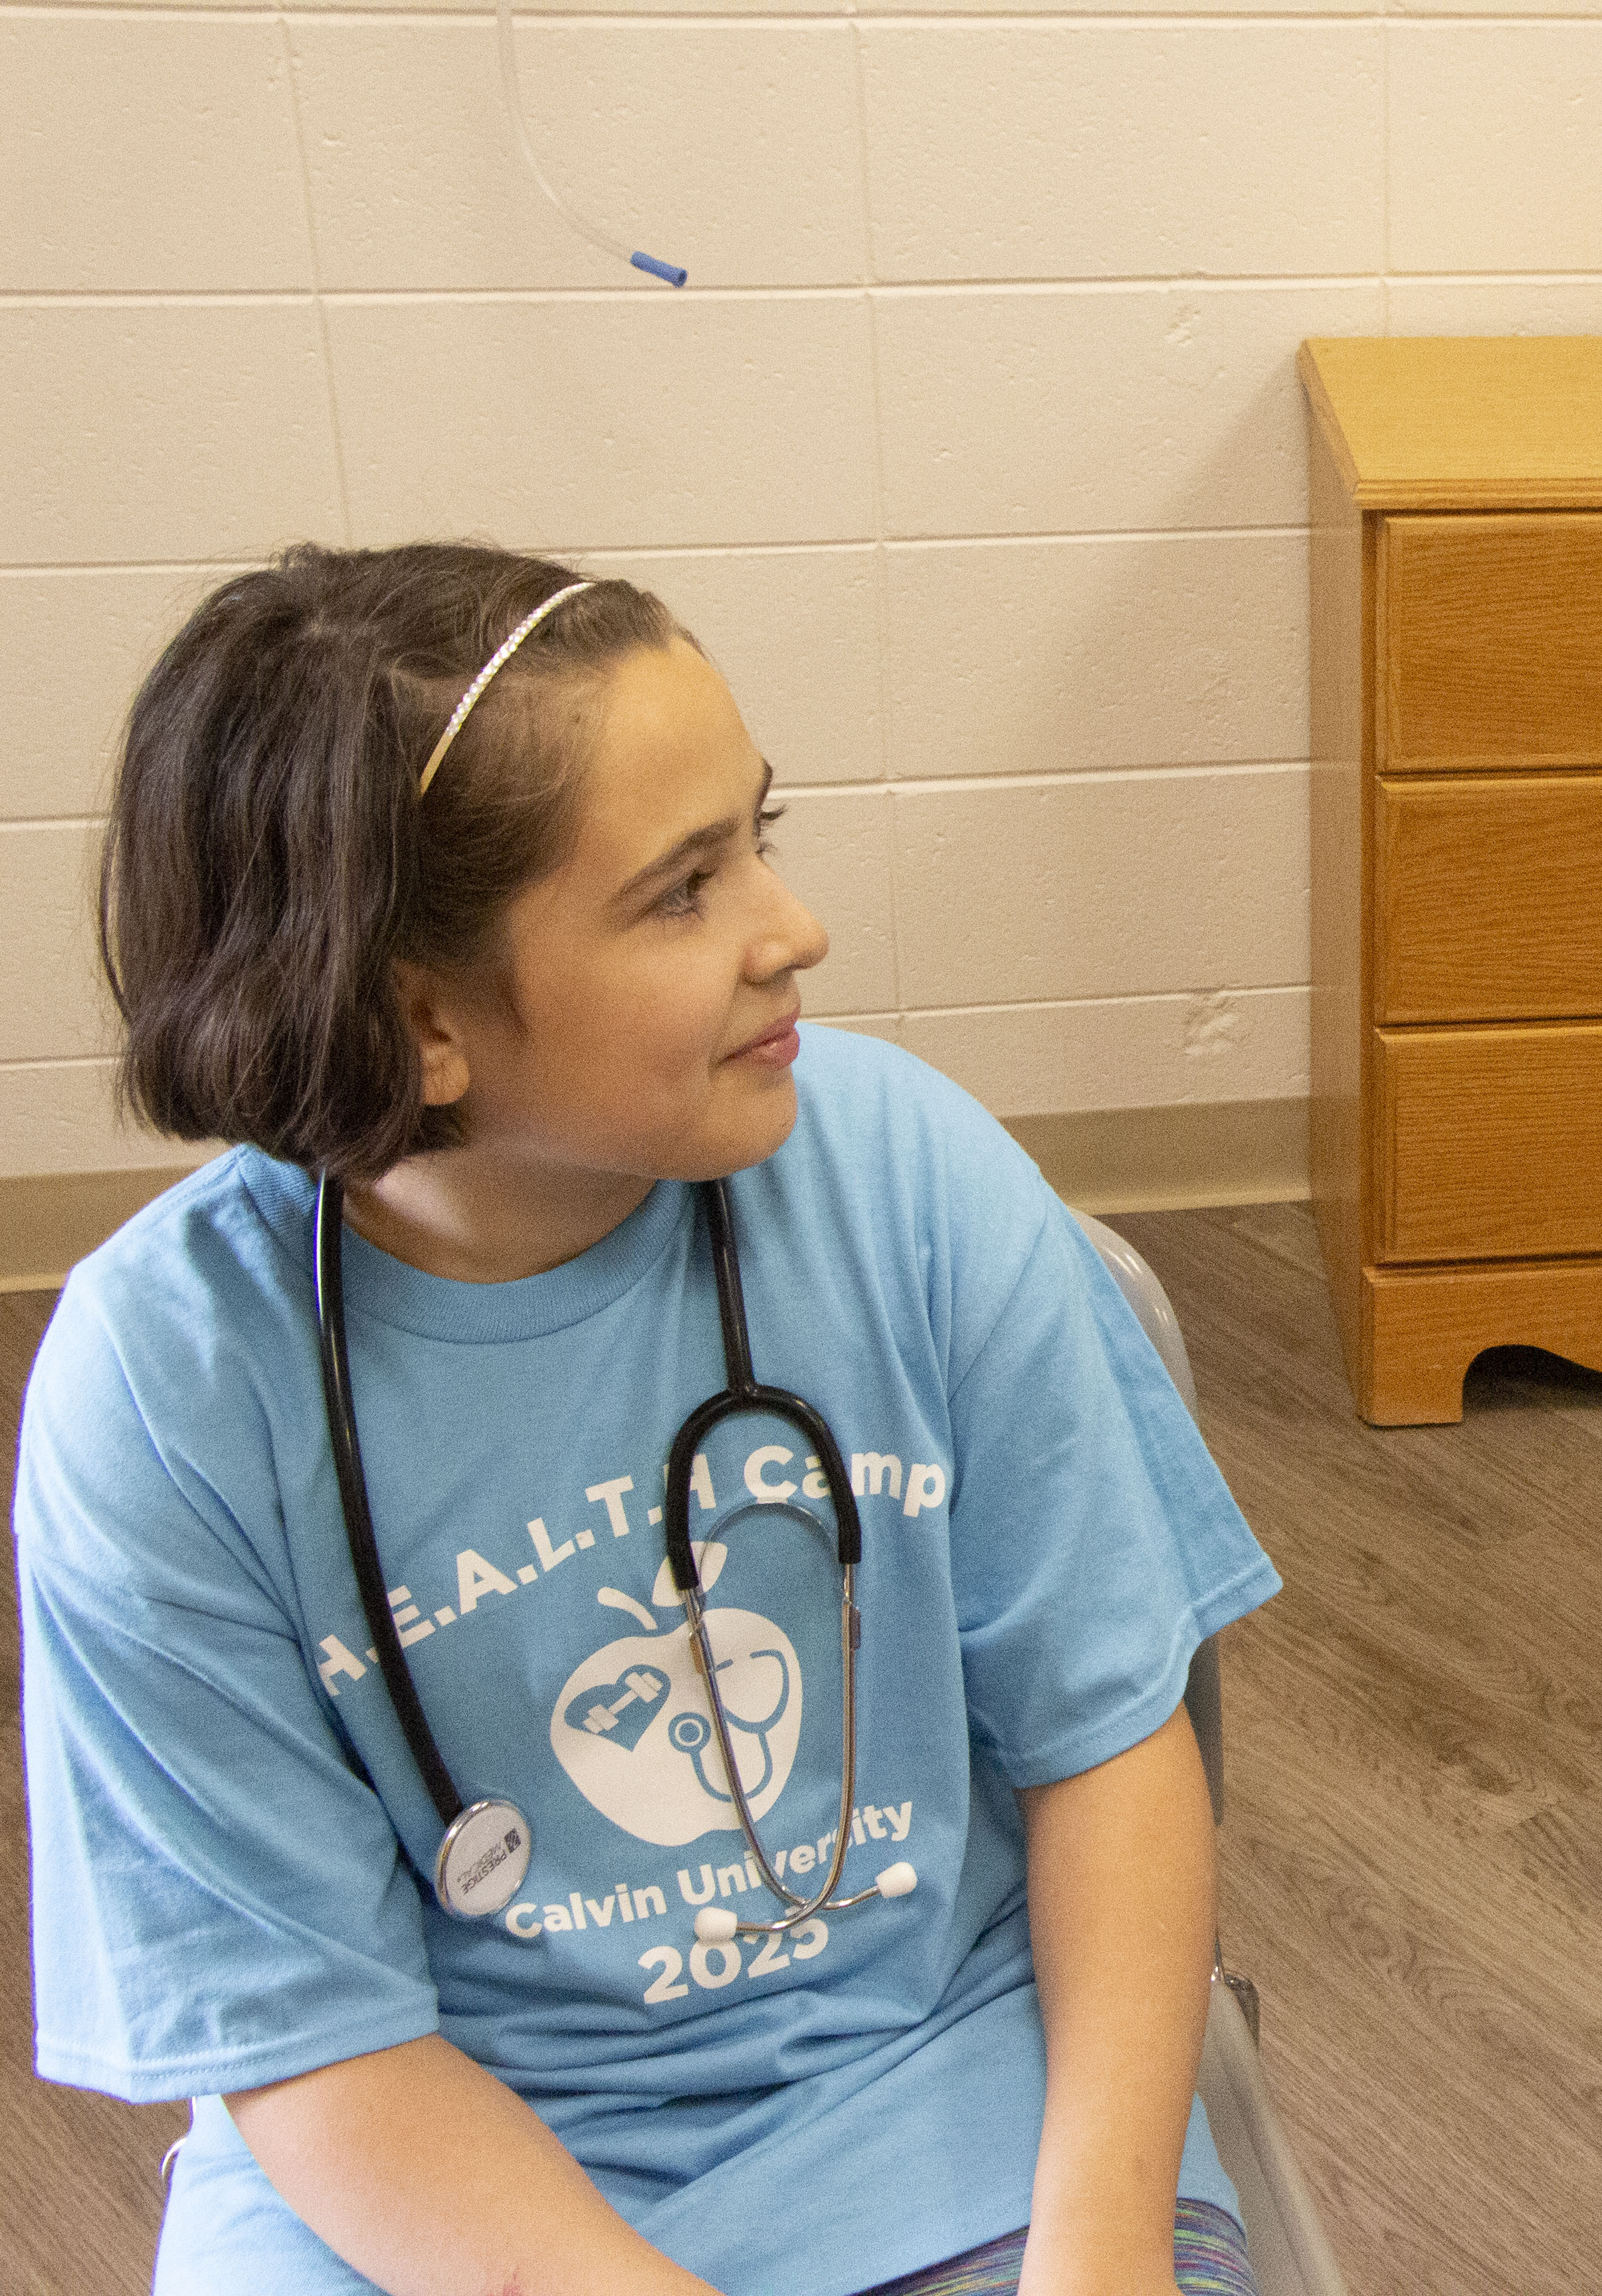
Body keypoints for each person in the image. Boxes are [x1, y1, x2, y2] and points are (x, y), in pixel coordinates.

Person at [15, 545, 1280, 2296]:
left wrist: (1101, 2250)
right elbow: (301, 2030)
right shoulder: (165, 1397)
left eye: (761, 833)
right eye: (685, 889)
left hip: (943, 2115)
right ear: (421, 1017)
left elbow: (1110, 1753)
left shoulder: (912, 1181)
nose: (793, 926)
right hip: (424, 2198)